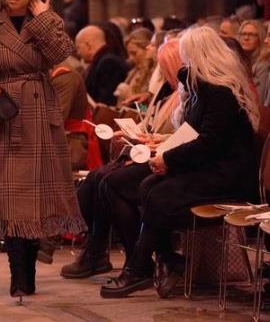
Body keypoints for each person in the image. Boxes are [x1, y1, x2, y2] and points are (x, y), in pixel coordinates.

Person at [100, 26, 259, 299]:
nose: (183, 63)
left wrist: (169, 160)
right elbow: (191, 133)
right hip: (210, 166)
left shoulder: (221, 91)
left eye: (186, 57)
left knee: (159, 194)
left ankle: (139, 269)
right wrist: (166, 155)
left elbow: (210, 142)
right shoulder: (203, 87)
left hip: (228, 174)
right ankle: (163, 261)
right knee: (149, 185)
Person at [0, 0, 86, 301]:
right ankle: (18, 276)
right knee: (10, 200)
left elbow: (62, 53)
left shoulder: (45, 22)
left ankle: (27, 272)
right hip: (2, 119)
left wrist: (44, 17)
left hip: (37, 114)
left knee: (34, 200)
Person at [60, 39, 183, 279]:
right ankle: (98, 251)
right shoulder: (166, 90)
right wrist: (137, 134)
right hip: (152, 152)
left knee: (108, 181)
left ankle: (121, 256)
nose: (163, 74)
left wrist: (151, 139)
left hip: (169, 160)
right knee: (100, 177)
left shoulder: (187, 93)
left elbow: (182, 134)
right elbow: (155, 125)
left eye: (165, 68)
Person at [78, 25, 128, 105]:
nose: (78, 53)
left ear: (88, 45)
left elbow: (143, 107)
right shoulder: (102, 61)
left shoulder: (109, 62)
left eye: (78, 48)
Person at [114, 28, 156, 105]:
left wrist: (129, 97)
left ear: (147, 49)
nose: (130, 58)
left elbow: (148, 110)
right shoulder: (133, 72)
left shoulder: (155, 76)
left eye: (134, 53)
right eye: (129, 54)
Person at [237, 19, 270, 99]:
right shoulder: (239, 62)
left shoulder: (263, 65)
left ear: (260, 37)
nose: (246, 38)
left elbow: (259, 99)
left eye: (251, 34)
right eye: (243, 34)